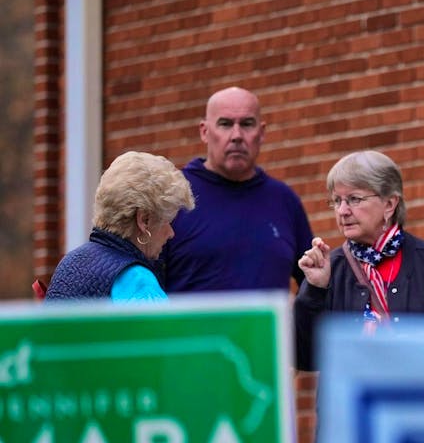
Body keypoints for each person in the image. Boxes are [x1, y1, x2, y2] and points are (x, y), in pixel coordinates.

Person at [294, 150, 424, 371]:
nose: (342, 211)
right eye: (337, 200)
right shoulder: (332, 268)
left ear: (389, 204)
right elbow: (305, 358)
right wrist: (314, 290)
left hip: (418, 402)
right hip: (352, 403)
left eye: (354, 199)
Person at [161, 86, 314, 293]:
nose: (237, 135)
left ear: (261, 133)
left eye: (247, 124)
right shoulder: (171, 196)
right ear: (204, 132)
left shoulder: (284, 200)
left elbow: (314, 287)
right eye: (225, 124)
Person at [45, 151, 194, 301]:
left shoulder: (70, 262)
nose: (171, 233)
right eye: (167, 221)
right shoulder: (138, 282)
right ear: (144, 220)